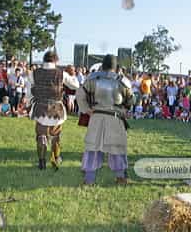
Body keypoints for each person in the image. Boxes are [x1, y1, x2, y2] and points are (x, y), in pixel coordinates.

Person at [76, 54, 134, 185]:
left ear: (103, 65)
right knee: (117, 149)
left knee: (93, 148)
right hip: (115, 118)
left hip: (96, 117)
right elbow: (131, 99)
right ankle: (121, 178)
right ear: (115, 66)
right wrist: (125, 110)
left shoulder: (93, 78)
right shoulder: (122, 81)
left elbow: (80, 94)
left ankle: (89, 179)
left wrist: (86, 109)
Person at [29, 51, 80, 170]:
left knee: (41, 135)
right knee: (56, 136)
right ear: (56, 61)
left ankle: (42, 161)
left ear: (44, 60)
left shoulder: (34, 73)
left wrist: (27, 102)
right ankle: (55, 158)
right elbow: (76, 85)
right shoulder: (62, 73)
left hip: (40, 108)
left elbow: (29, 92)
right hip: (56, 110)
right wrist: (72, 74)